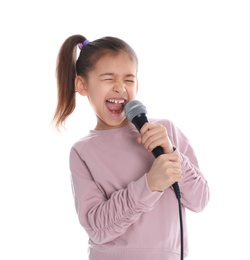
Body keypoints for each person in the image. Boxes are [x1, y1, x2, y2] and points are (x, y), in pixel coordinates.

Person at [53, 34, 209, 260]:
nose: (120, 88)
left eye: (128, 79)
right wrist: (149, 185)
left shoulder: (165, 132)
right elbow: (97, 228)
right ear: (83, 85)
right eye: (108, 78)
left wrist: (171, 154)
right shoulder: (83, 152)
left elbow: (200, 200)